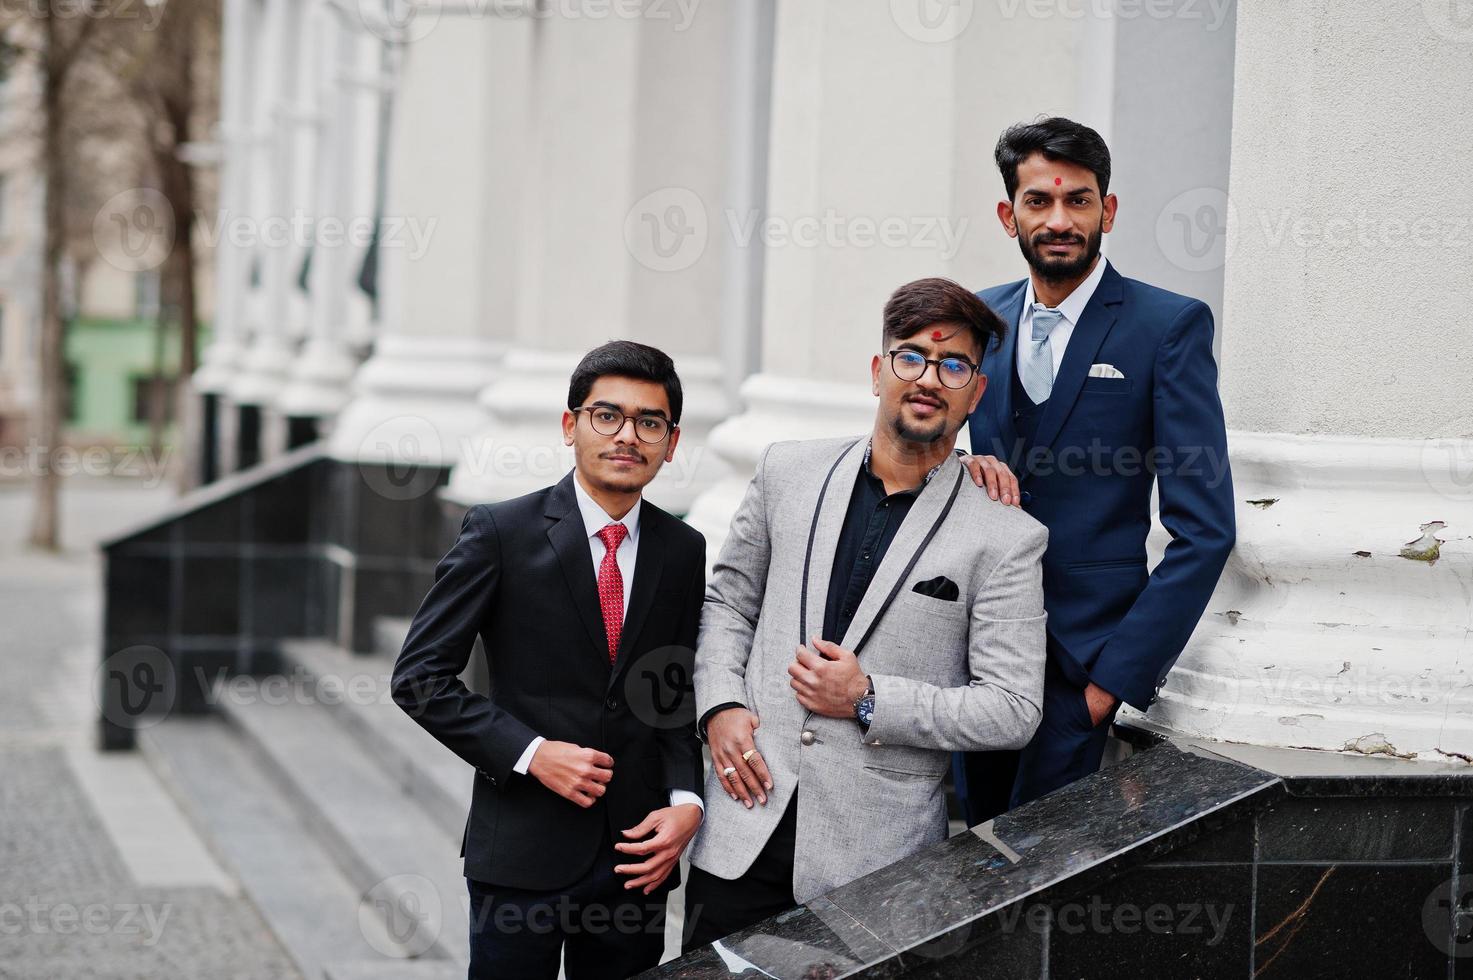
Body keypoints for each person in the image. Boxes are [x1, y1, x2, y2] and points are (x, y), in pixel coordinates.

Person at [683, 278, 1048, 949]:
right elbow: (728, 604)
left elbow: (1013, 709)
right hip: (742, 828)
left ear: (976, 392)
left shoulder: (1005, 534)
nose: (928, 379)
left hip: (875, 864)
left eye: (953, 365)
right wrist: (720, 707)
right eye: (910, 357)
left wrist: (869, 697)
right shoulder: (785, 472)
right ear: (878, 371)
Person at [391, 341, 707, 979]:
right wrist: (534, 754)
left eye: (650, 422)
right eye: (606, 415)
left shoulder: (683, 548)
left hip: (635, 855)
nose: (628, 436)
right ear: (571, 426)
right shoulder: (500, 533)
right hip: (522, 852)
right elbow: (419, 679)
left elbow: (669, 692)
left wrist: (687, 802)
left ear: (671, 443)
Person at [955, 116, 1237, 823]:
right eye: (1038, 202)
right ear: (1006, 214)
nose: (1058, 219)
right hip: (974, 657)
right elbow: (919, 452)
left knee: (1047, 890)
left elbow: (1204, 529)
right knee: (959, 870)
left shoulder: (1165, 326)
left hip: (1082, 665)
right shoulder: (975, 321)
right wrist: (962, 469)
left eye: (1077, 200)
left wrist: (1111, 684)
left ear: (1106, 210)